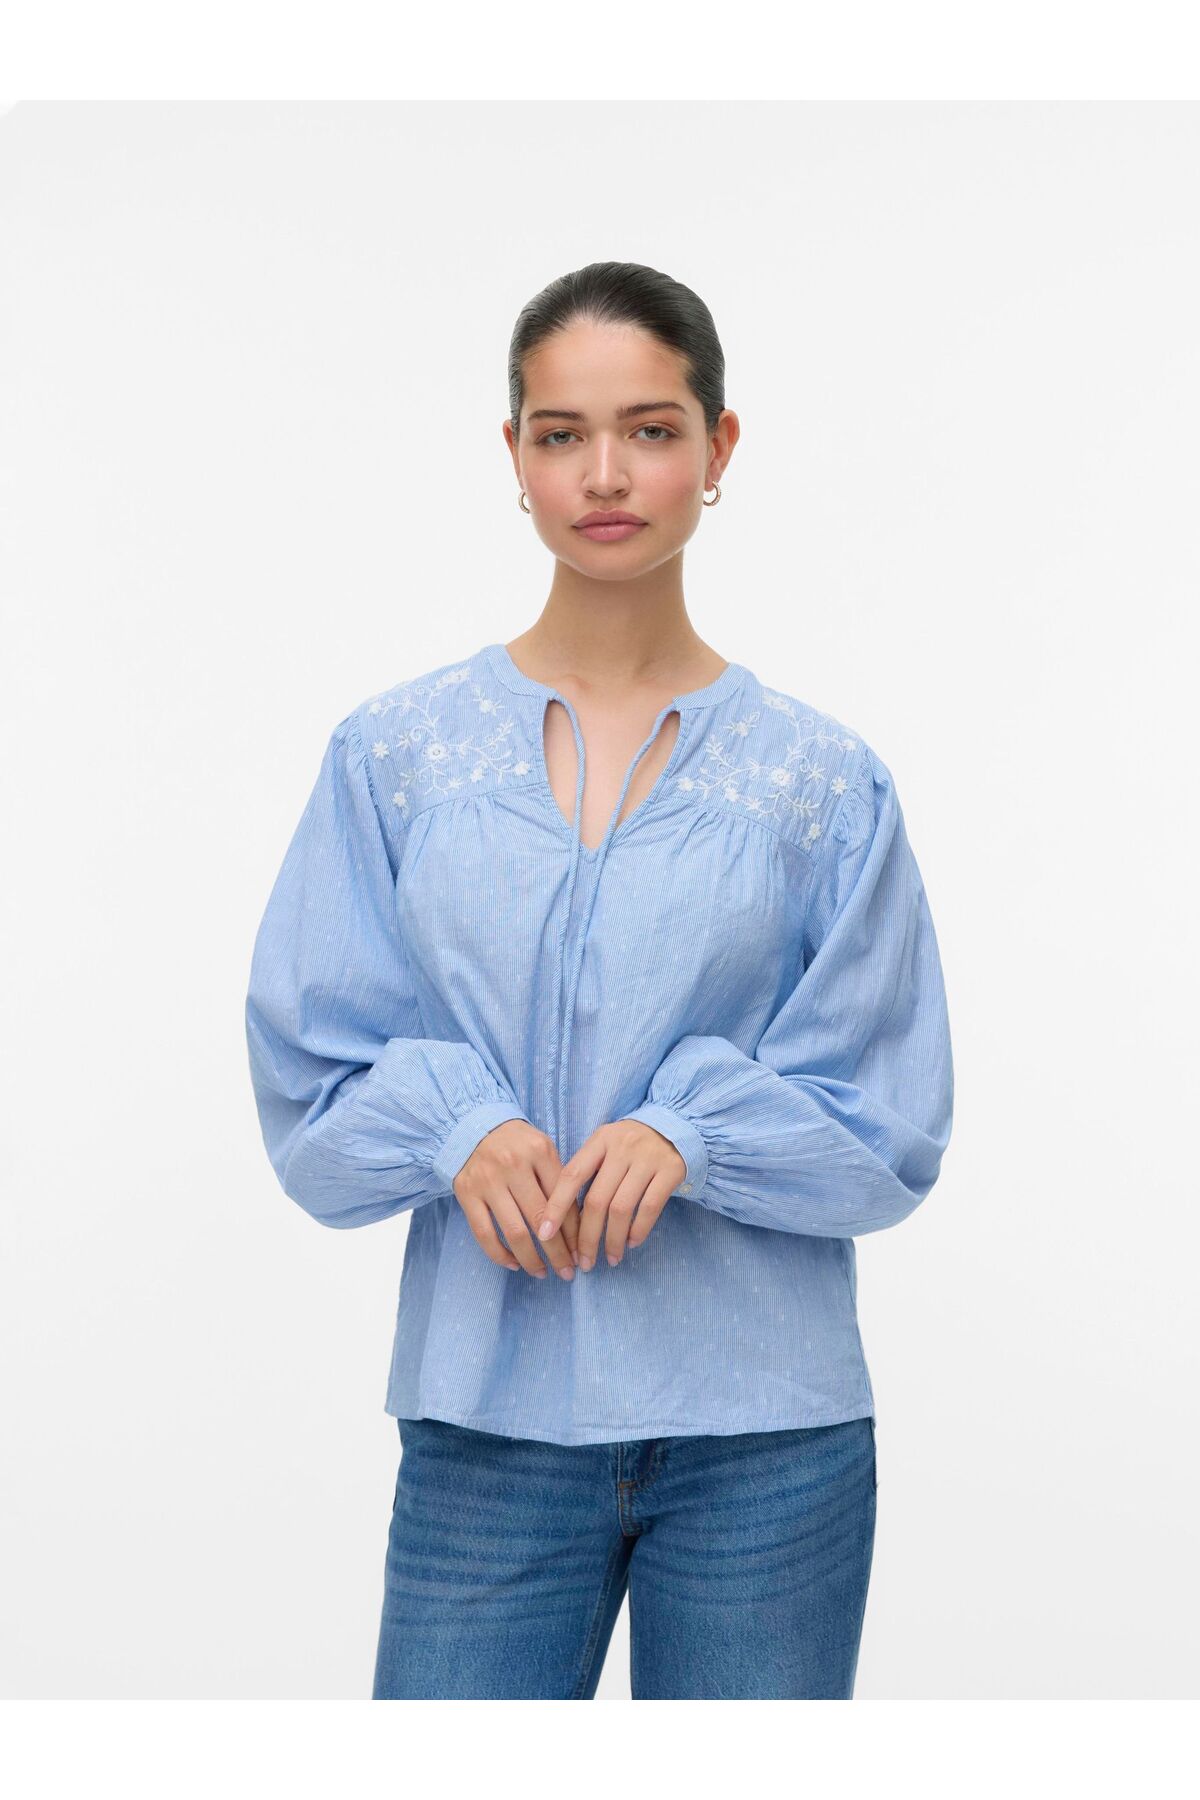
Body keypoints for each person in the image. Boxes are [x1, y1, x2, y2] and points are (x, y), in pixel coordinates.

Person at [244, 260, 955, 1699]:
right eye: (562, 433)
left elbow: (890, 1126)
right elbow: (311, 1090)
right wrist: (453, 1120)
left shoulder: (823, 782)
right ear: (513, 456)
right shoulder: (395, 758)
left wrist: (694, 1127)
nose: (606, 473)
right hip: (487, 1430)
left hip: (769, 1442)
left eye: (651, 428)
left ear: (718, 447)